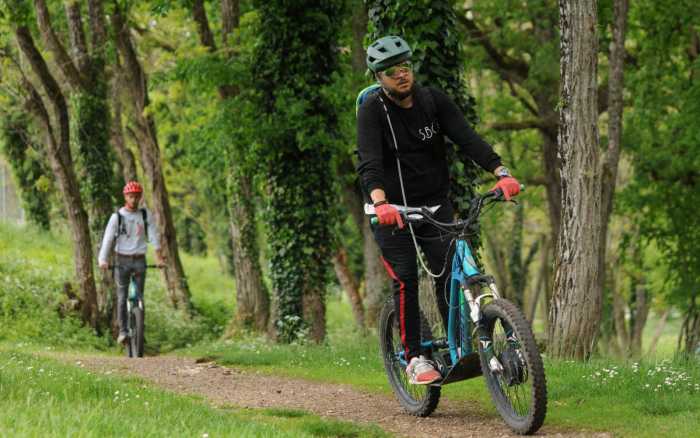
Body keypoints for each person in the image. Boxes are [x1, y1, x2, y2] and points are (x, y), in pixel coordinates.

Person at [356, 36, 521, 385]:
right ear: (378, 78)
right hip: (391, 209)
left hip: (433, 202)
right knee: (406, 277)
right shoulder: (373, 109)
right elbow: (369, 162)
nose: (401, 75)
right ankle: (415, 356)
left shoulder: (433, 101)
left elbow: (468, 138)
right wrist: (381, 202)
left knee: (450, 274)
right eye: (390, 72)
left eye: (404, 67)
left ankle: (460, 349)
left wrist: (501, 172)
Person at [98, 181, 164, 344]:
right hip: (122, 260)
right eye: (130, 196)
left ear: (140, 197)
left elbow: (154, 236)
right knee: (122, 297)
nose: (134, 200)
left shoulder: (144, 214)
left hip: (140, 259)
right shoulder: (117, 217)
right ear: (125, 197)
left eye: (136, 196)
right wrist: (103, 259)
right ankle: (123, 331)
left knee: (140, 297)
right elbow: (107, 239)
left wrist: (159, 257)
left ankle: (140, 331)